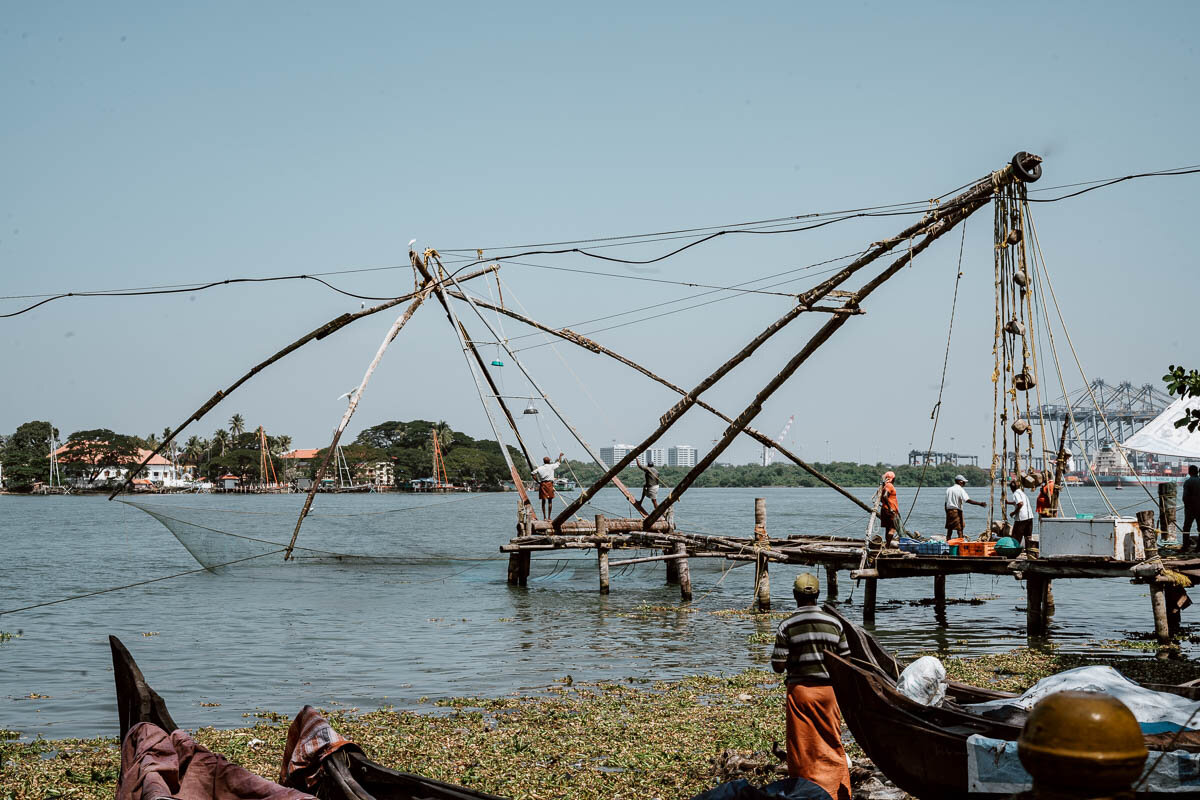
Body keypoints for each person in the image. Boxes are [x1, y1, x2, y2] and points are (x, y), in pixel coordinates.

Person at [770, 573, 852, 800]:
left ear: (795, 595)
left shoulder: (787, 625)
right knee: (831, 740)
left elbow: (778, 665)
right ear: (817, 595)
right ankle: (835, 790)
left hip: (801, 692)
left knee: (802, 747)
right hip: (828, 693)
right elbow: (845, 661)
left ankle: (806, 791)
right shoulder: (834, 624)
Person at [531, 453, 564, 518]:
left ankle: (544, 517)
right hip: (549, 484)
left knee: (543, 501)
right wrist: (560, 456)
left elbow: (532, 473)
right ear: (549, 461)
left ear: (544, 461)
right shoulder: (552, 466)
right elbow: (559, 462)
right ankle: (549, 517)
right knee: (550, 501)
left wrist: (537, 481)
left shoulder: (540, 468)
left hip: (542, 484)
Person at [1006, 478, 1034, 550]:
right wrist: (1009, 503)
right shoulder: (1022, 493)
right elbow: (1019, 502)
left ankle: (1015, 551)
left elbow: (1020, 504)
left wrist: (1013, 513)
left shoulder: (1015, 493)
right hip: (1029, 517)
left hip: (1021, 518)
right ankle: (1029, 551)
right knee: (1028, 537)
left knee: (1016, 536)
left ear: (1012, 488)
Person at [878, 471, 904, 546]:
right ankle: (888, 545)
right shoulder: (889, 485)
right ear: (892, 479)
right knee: (893, 528)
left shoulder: (884, 486)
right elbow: (885, 496)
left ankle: (887, 545)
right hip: (890, 510)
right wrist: (890, 508)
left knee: (887, 528)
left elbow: (881, 498)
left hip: (885, 510)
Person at [1183, 465, 1200, 552]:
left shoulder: (1188, 482)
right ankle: (1199, 547)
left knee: (1186, 527)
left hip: (1190, 508)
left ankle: (1185, 546)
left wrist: (1186, 506)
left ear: (1189, 472)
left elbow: (1185, 497)